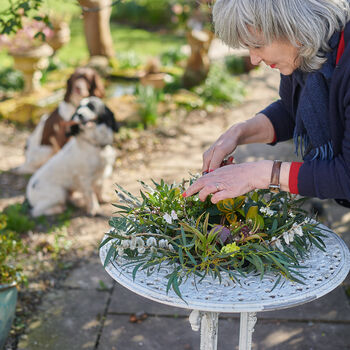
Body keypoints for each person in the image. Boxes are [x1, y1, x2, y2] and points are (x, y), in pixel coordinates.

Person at [183, 0, 350, 206]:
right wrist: (238, 133)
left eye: (257, 45)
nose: (253, 59)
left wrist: (261, 174)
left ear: (292, 25)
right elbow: (293, 112)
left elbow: (347, 176)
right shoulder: (301, 51)